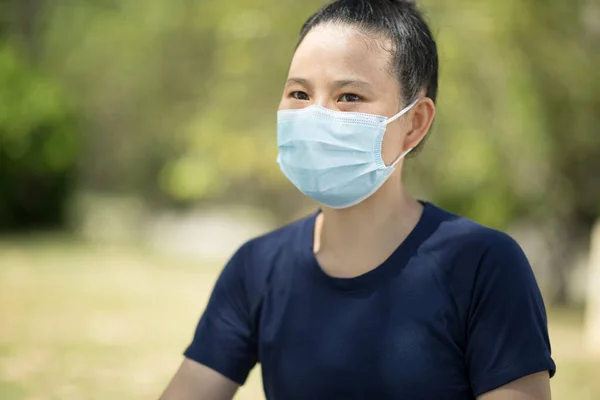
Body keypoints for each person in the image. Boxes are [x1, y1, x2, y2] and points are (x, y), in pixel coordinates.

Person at [160, 0, 556, 399]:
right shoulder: (256, 268)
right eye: (299, 93)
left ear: (414, 123)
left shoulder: (484, 266)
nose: (315, 116)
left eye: (348, 97)